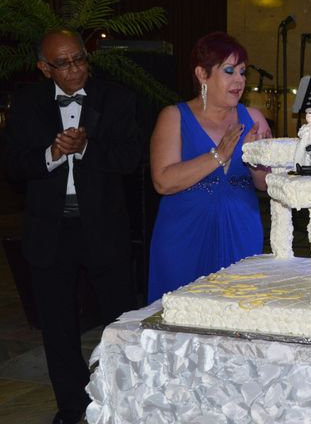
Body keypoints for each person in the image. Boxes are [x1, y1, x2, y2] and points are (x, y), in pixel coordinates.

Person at [5, 29, 140, 424]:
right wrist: (51, 153)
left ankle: (123, 400)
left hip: (103, 228)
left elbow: (130, 158)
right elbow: (13, 164)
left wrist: (85, 149)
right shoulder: (27, 104)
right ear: (44, 68)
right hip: (50, 232)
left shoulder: (117, 98)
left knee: (119, 322)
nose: (75, 69)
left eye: (79, 58)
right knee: (58, 328)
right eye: (63, 63)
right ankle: (71, 406)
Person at [147, 32, 271, 303]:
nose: (239, 80)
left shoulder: (254, 119)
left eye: (242, 72)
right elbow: (163, 181)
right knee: (182, 320)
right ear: (202, 74)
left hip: (242, 229)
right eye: (229, 71)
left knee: (239, 316)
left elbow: (265, 183)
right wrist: (219, 154)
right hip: (184, 235)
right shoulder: (173, 116)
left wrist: (255, 159)